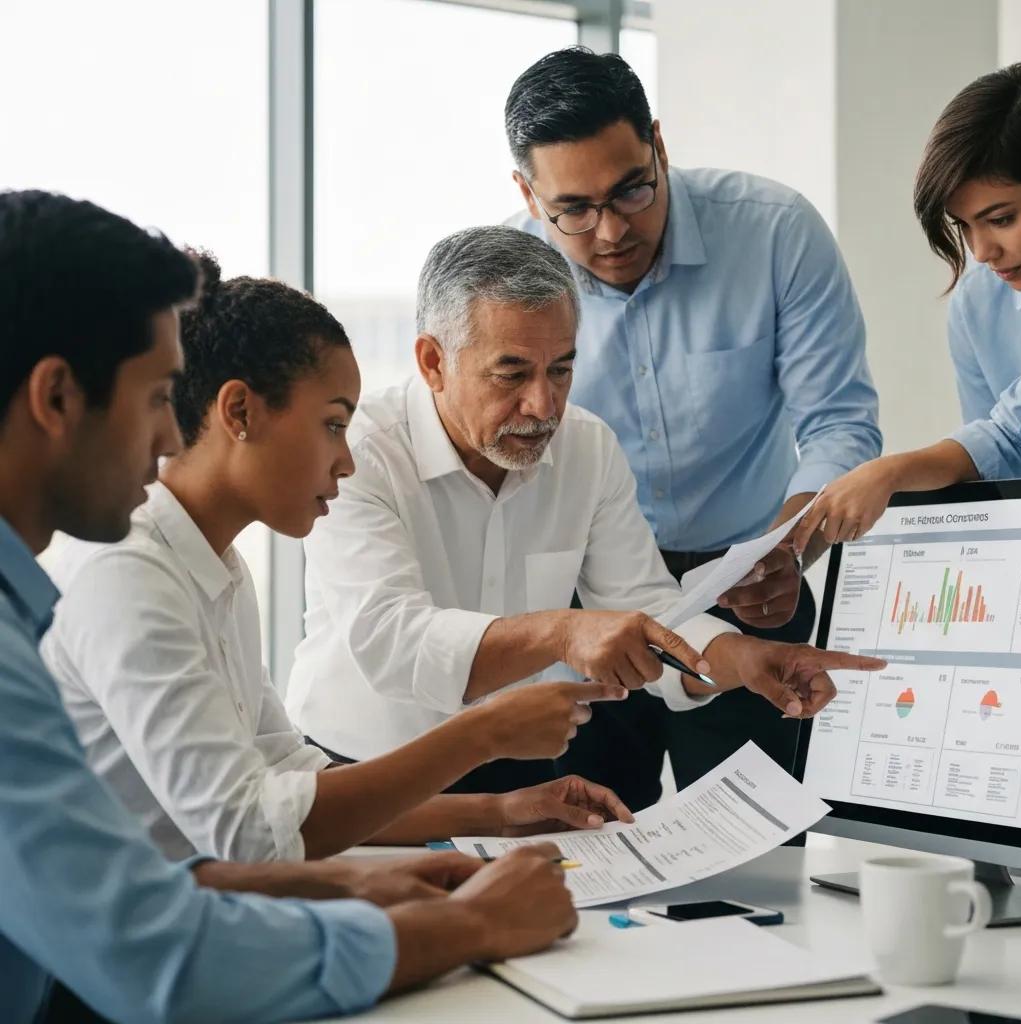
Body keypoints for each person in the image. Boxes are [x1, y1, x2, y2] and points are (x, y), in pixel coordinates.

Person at [0, 190, 577, 1024]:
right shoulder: (117, 582)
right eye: (159, 398)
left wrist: (382, 867)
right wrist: (467, 923)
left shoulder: (208, 573)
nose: (170, 441)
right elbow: (162, 937)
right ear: (57, 398)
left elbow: (159, 867)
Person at [42, 250, 633, 866]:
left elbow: (290, 779)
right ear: (238, 412)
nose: (347, 462)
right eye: (331, 425)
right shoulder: (128, 574)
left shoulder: (219, 569)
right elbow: (251, 831)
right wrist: (483, 735)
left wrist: (500, 812)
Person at [287, 224, 884, 794]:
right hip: (362, 772)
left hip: (518, 771)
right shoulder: (358, 452)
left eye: (562, 369)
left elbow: (643, 606)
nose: (543, 404)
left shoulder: (587, 446)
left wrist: (742, 658)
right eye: (511, 373)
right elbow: (393, 639)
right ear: (433, 362)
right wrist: (563, 631)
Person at [501, 47, 882, 807]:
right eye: (573, 210)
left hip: (755, 582)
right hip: (587, 603)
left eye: (632, 189)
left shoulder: (775, 232)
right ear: (526, 192)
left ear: (660, 147)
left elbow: (840, 424)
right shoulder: (510, 280)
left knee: (764, 841)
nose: (610, 231)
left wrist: (789, 546)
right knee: (590, 854)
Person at [792, 62, 1021, 552]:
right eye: (963, 226)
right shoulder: (979, 301)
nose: (981, 252)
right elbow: (995, 471)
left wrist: (890, 473)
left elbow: (1007, 436)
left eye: (1001, 219)